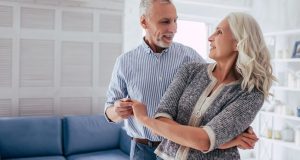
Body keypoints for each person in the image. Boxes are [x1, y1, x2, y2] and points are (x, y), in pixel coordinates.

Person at [104, 0, 258, 159]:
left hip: (179, 148)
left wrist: (235, 125)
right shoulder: (125, 62)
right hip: (142, 150)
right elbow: (109, 112)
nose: (173, 29)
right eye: (165, 22)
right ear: (144, 22)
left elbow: (213, 98)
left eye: (175, 20)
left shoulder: (190, 58)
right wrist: (117, 110)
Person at [130, 12, 276, 160]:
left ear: (238, 42)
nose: (210, 37)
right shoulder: (190, 70)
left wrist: (144, 119)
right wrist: (222, 141)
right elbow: (161, 122)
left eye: (219, 32)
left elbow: (204, 140)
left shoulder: (251, 94)